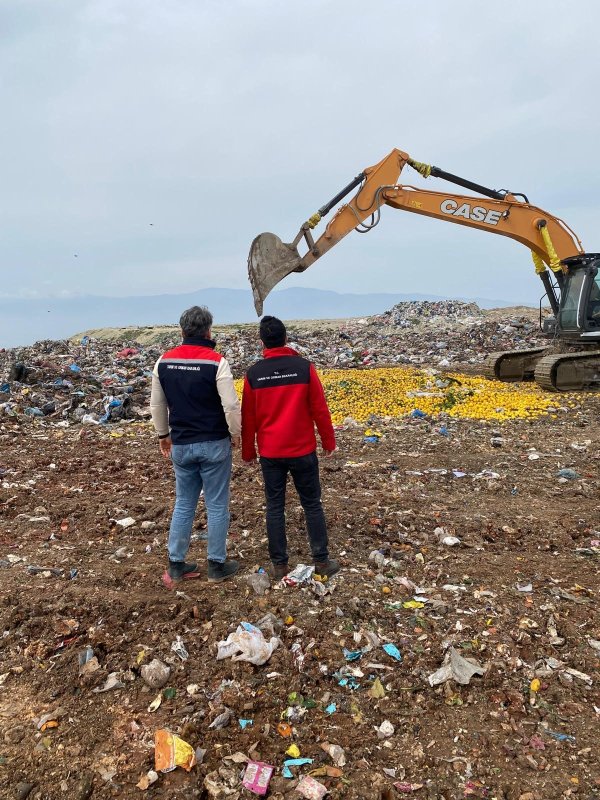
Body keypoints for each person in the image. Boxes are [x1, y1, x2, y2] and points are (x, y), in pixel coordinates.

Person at [241, 316, 339, 579]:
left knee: (275, 507)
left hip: (271, 453)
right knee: (312, 504)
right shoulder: (304, 368)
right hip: (302, 450)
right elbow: (320, 408)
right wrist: (328, 441)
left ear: (262, 342)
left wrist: (248, 452)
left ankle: (279, 565)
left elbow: (248, 418)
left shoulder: (254, 374)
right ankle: (321, 561)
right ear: (286, 338)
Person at [150, 305, 241, 588]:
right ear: (208, 331)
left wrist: (163, 435)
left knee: (184, 503)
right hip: (214, 443)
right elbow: (230, 404)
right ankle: (216, 563)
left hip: (182, 445)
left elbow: (157, 404)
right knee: (216, 504)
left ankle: (176, 564)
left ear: (182, 331)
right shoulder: (217, 362)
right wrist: (235, 434)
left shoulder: (163, 362)